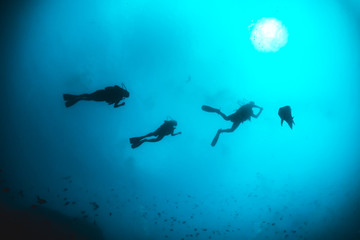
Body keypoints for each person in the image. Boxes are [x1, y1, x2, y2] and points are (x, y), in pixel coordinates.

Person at [63, 85, 129, 108]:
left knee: (89, 95)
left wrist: (121, 89)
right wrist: (121, 105)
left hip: (102, 92)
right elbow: (115, 106)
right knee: (90, 98)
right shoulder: (119, 97)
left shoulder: (119, 89)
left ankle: (76, 97)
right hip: (103, 98)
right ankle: (77, 98)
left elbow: (114, 86)